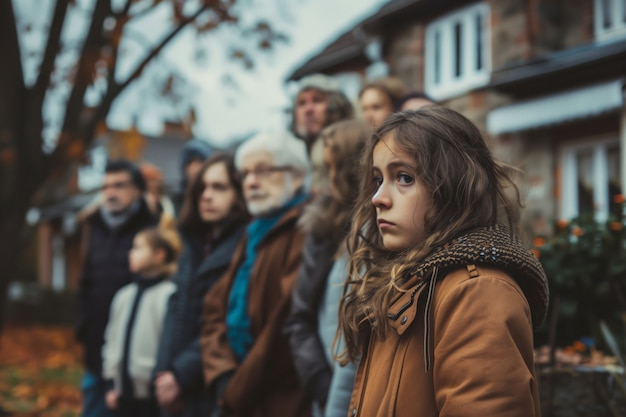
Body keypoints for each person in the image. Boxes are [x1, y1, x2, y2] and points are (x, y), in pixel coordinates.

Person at [337, 106, 549, 417]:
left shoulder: (477, 291)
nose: (378, 197)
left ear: (450, 186)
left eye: (404, 177)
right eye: (378, 179)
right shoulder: (407, 283)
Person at [200, 131, 311, 417]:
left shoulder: (305, 229)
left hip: (280, 401)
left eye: (263, 170)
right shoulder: (253, 231)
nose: (250, 182)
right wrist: (222, 374)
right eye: (244, 173)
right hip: (239, 390)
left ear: (297, 176)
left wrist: (234, 393)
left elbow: (284, 326)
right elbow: (214, 308)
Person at [285, 119, 370, 417]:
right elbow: (300, 318)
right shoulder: (322, 230)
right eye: (326, 168)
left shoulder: (378, 234)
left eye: (337, 167)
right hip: (329, 391)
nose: (330, 178)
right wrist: (321, 384)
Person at [153, 153, 250, 417]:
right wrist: (164, 374)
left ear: (238, 193)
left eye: (219, 187)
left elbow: (227, 322)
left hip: (212, 386)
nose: (207, 195)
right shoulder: (192, 246)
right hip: (176, 387)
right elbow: (175, 310)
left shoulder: (245, 246)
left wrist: (180, 376)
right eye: (202, 187)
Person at [77, 160, 160, 417]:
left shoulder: (151, 227)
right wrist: (83, 327)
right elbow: (85, 280)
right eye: (105, 186)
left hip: (136, 355)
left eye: (119, 185)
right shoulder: (94, 225)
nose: (110, 192)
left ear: (137, 190)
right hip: (95, 347)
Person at [102, 227, 180, 417]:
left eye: (138, 248)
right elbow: (111, 341)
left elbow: (170, 344)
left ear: (159, 255)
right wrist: (112, 383)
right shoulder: (123, 296)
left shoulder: (169, 295)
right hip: (123, 395)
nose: (131, 253)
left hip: (153, 398)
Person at [290, 74, 353, 193]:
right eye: (302, 103)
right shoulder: (296, 150)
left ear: (337, 105)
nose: (308, 109)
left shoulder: (347, 142)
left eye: (317, 100)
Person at [172, 139, 213, 215]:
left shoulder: (211, 194)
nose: (195, 167)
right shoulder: (177, 197)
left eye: (199, 162)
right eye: (190, 162)